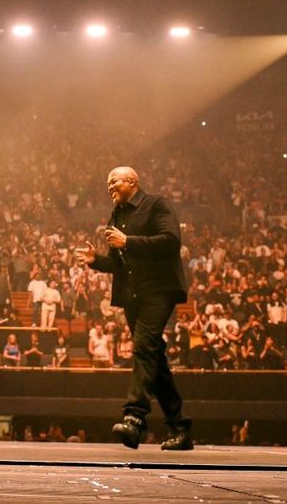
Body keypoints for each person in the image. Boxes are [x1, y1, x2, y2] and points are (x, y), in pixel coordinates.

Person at [75, 166, 192, 451]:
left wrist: (129, 241)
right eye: (107, 183)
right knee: (153, 356)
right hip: (132, 295)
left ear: (132, 181)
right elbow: (118, 264)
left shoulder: (157, 204)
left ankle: (134, 417)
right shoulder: (118, 215)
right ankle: (179, 427)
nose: (109, 186)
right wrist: (96, 261)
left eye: (113, 181)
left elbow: (171, 241)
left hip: (159, 290)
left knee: (143, 346)